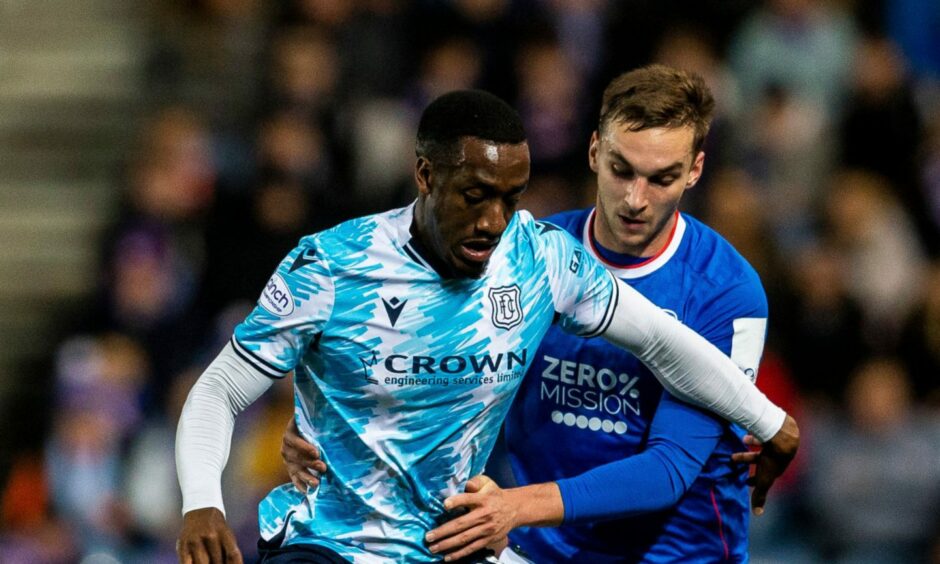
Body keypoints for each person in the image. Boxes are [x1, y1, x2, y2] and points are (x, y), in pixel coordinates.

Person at [177, 89, 797, 564]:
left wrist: (769, 421)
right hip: (333, 541)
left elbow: (663, 340)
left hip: (458, 541)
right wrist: (201, 500)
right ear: (425, 175)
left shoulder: (541, 259)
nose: (495, 220)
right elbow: (219, 389)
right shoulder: (333, 266)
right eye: (475, 195)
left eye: (512, 196)